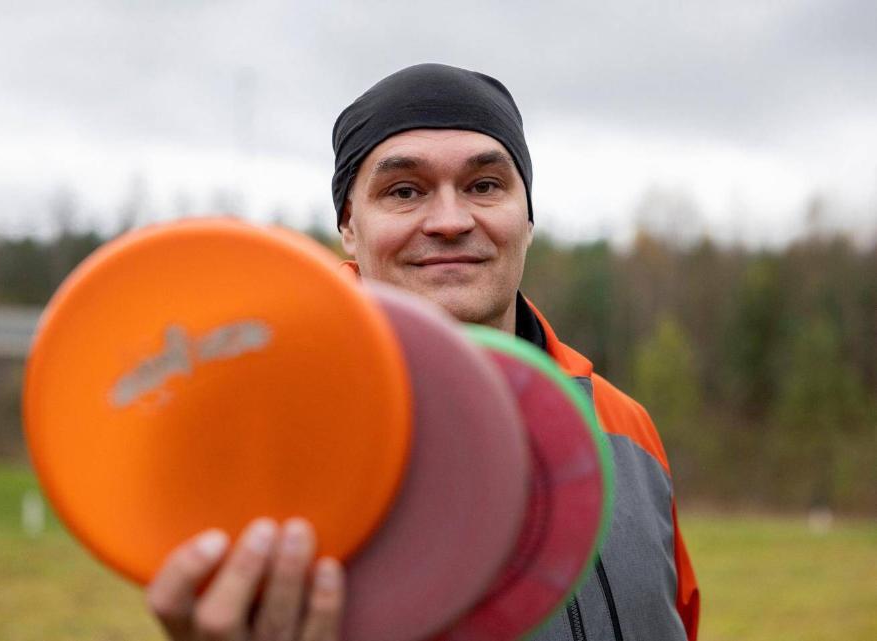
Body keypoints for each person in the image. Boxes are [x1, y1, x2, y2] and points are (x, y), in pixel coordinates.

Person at [146, 63, 700, 641]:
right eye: (404, 191)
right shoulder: (264, 435)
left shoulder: (625, 429)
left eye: (484, 186)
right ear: (350, 227)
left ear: (528, 218)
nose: (451, 222)